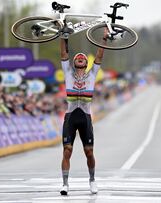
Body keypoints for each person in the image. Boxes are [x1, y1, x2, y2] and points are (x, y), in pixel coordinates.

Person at [59, 31, 106, 195]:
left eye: (83, 57)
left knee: (89, 152)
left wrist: (104, 38)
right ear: (73, 62)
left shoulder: (92, 74)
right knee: (67, 151)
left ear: (86, 62)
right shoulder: (67, 73)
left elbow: (99, 56)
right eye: (77, 57)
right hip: (71, 117)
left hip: (85, 118)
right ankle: (65, 184)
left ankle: (92, 180)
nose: (80, 57)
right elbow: (64, 53)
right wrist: (63, 35)